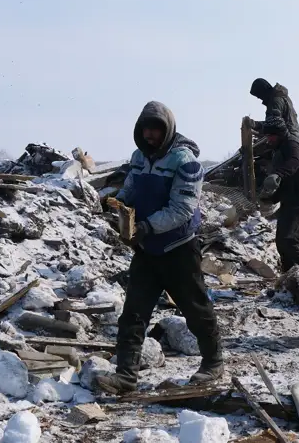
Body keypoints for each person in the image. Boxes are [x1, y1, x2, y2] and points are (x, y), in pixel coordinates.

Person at [95, 101, 223, 394]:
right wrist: (116, 202)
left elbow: (182, 209)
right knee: (134, 312)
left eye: (156, 130)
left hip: (178, 248)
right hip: (147, 248)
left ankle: (213, 361)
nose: (150, 135)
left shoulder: (185, 162)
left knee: (195, 307)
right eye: (145, 130)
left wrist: (147, 227)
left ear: (167, 130)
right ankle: (126, 375)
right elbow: (131, 188)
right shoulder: (139, 157)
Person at [244, 78, 299, 272]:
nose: (267, 140)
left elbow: (293, 164)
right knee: (281, 242)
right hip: (291, 198)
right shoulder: (279, 147)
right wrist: (269, 197)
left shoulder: (292, 145)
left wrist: (277, 175)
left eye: (270, 136)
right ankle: (288, 275)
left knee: (289, 241)